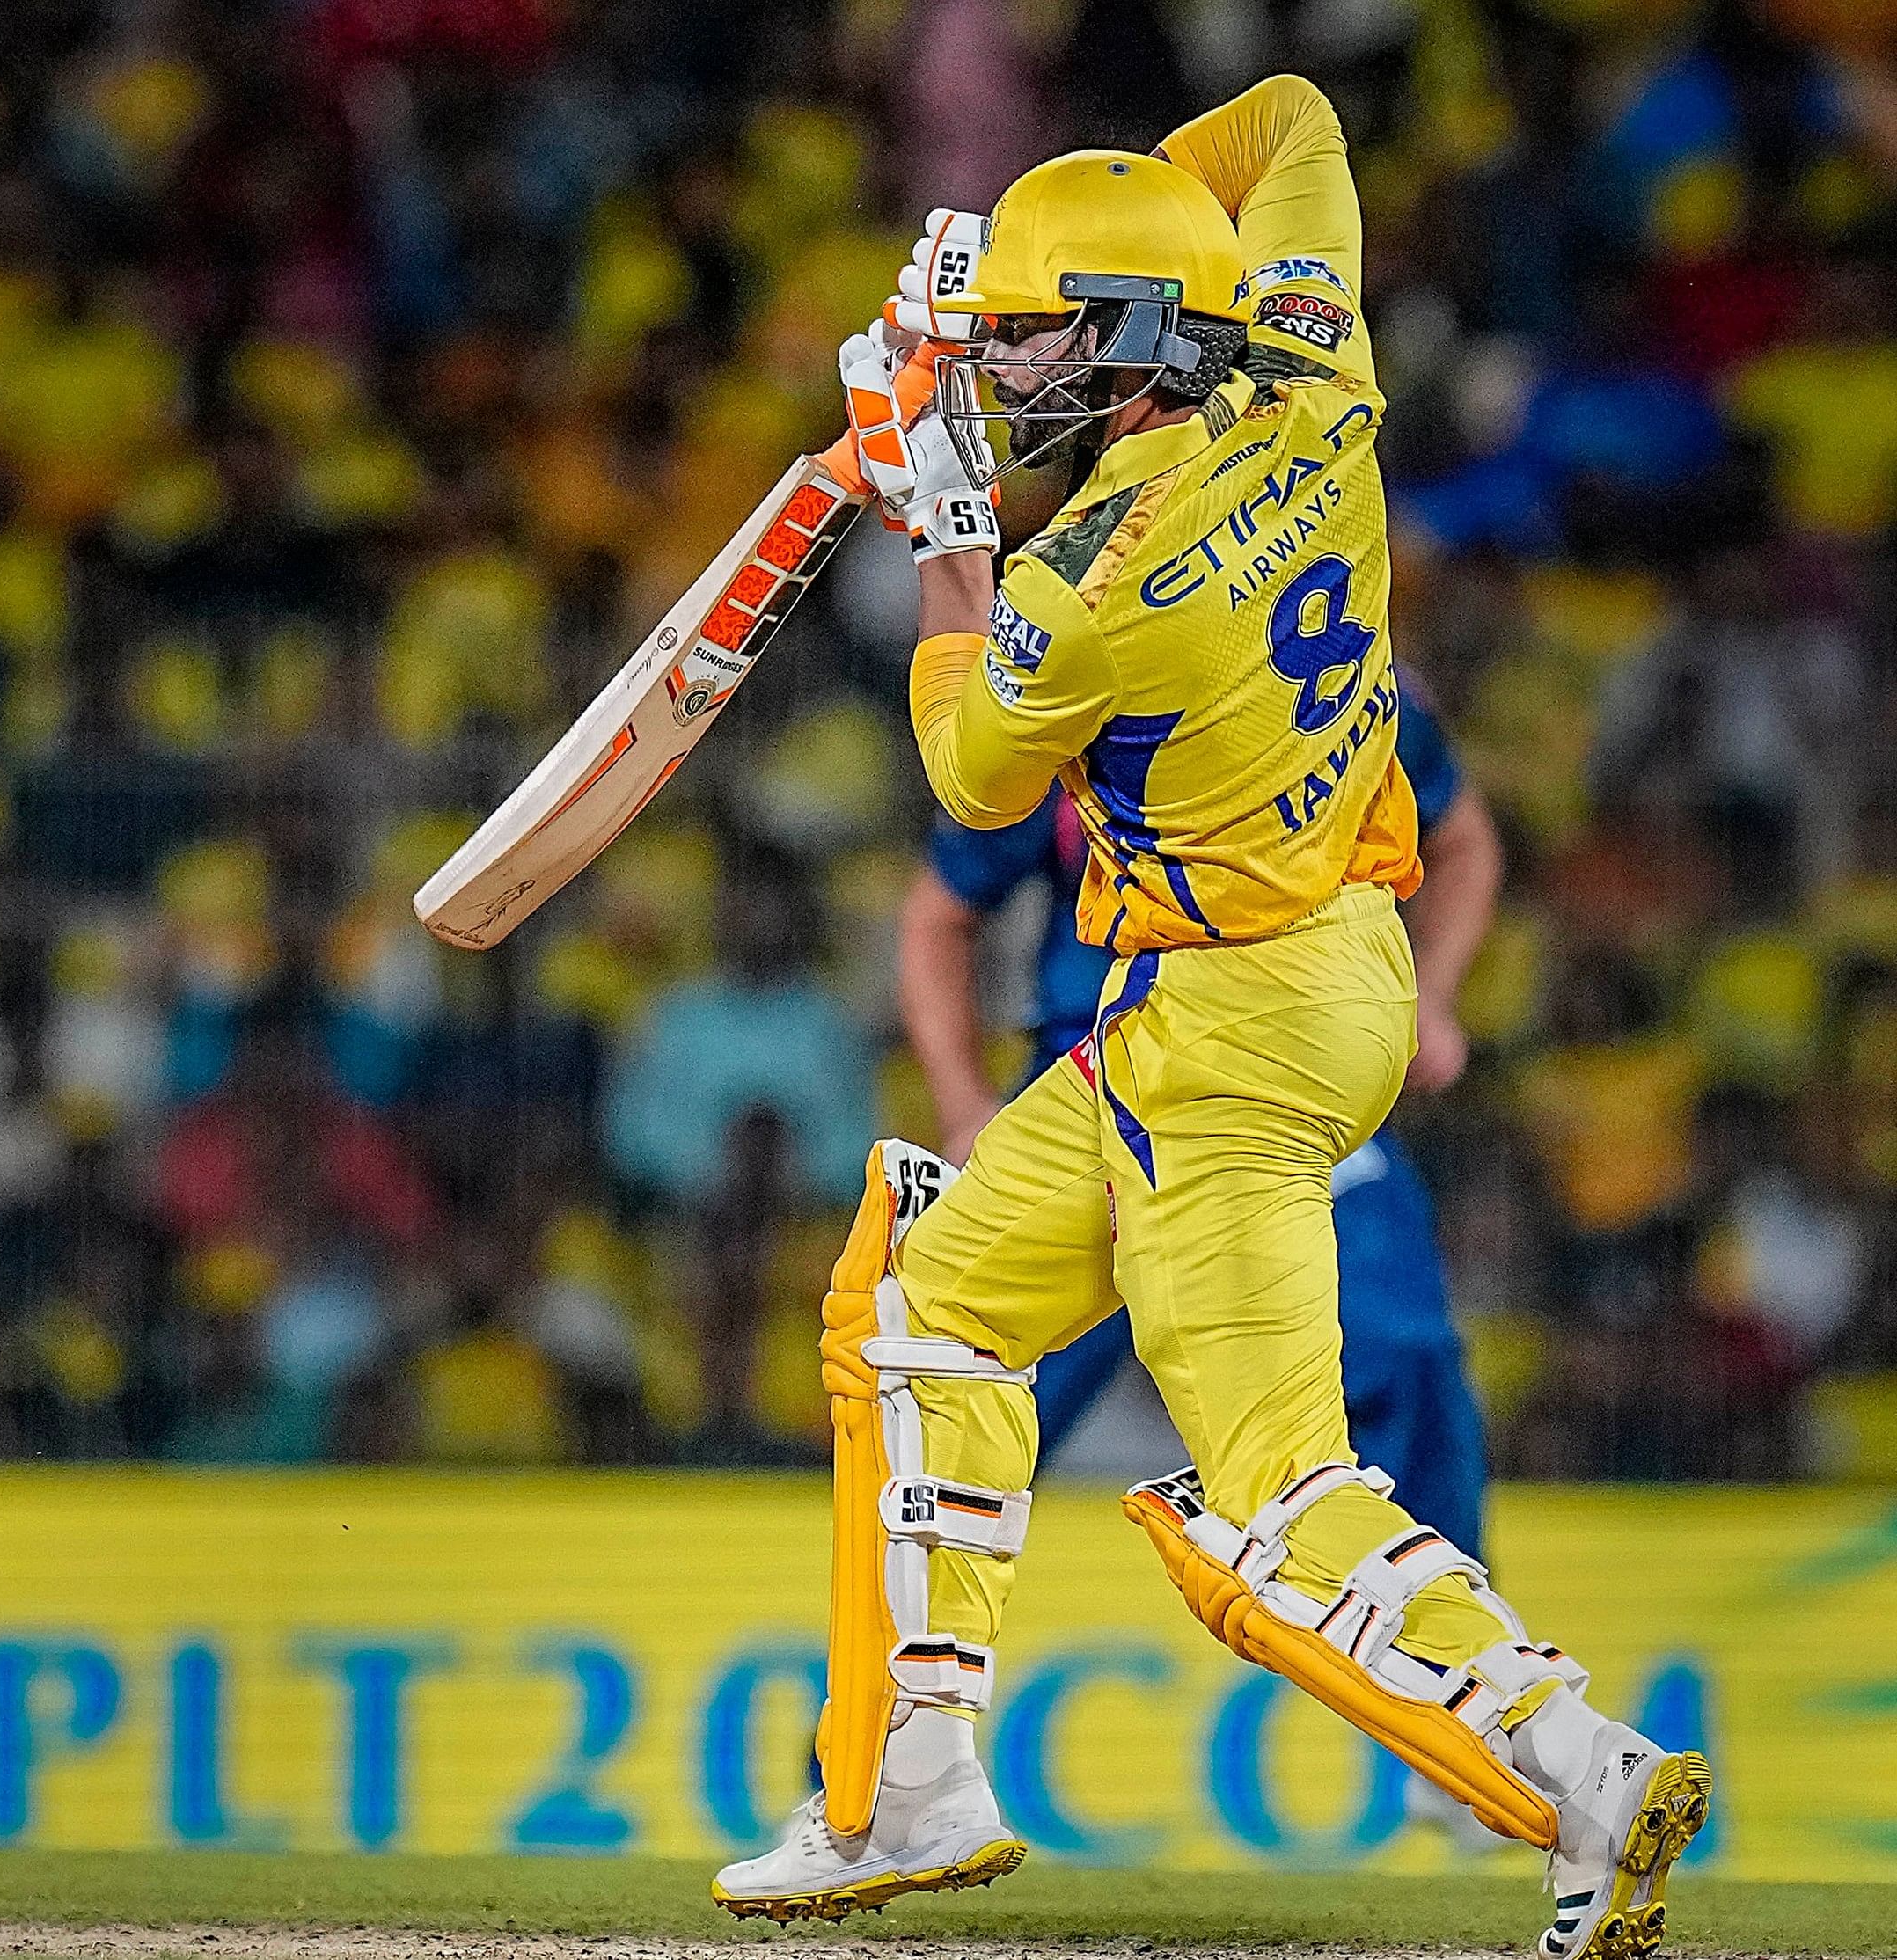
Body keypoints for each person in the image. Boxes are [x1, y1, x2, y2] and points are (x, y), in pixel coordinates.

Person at [711, 79, 1710, 1960]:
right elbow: (1297, 119)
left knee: (1275, 1497)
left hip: (1223, 1034)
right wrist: (1065, 244)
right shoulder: (1322, 376)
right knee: (927, 1311)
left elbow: (972, 774)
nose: (1010, 365)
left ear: (1143, 334)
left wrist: (940, 513)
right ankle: (901, 1784)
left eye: (1039, 334)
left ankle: (1579, 1764)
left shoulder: (1087, 588)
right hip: (1317, 964)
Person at [899, 684, 1501, 1554]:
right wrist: (962, 1106)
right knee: (959, 1381)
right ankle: (894, 1640)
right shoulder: (1085, 695)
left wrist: (1433, 999)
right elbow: (936, 913)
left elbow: (1463, 839)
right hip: (1097, 1085)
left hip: (1277, 1071)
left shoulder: (1341, 679)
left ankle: (1449, 1655)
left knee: (1402, 1353)